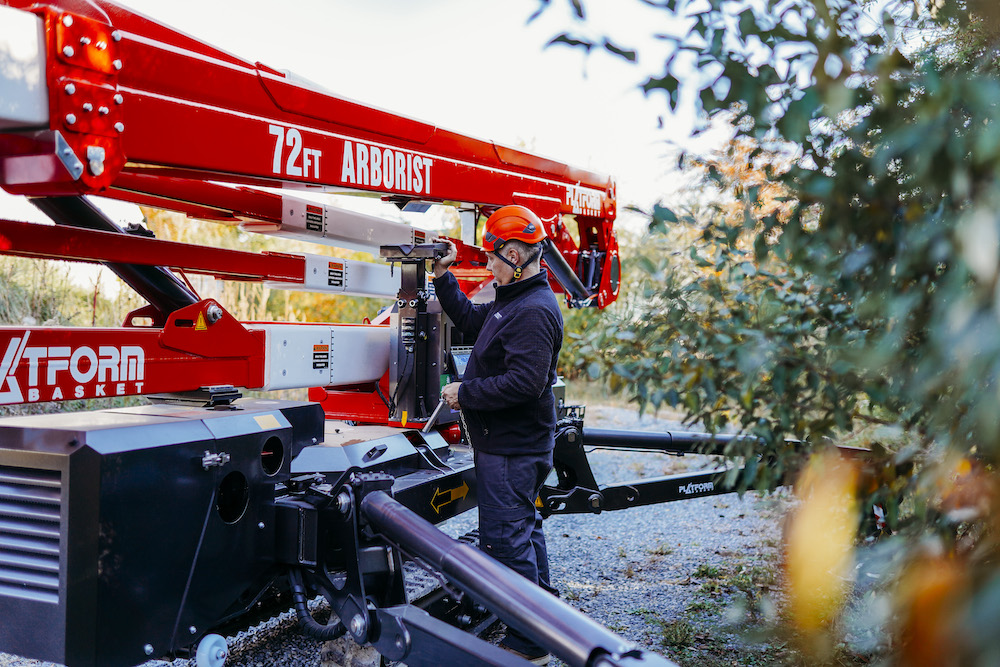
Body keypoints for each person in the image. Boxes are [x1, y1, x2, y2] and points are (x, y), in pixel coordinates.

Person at [431, 205, 563, 665]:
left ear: (515, 254)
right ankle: (547, 614)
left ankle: (529, 645)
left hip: (512, 448)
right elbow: (472, 320)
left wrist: (465, 392)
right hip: (510, 445)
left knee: (506, 540)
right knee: (524, 531)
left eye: (492, 257)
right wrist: (443, 277)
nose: (488, 265)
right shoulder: (515, 300)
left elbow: (525, 383)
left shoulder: (532, 310)